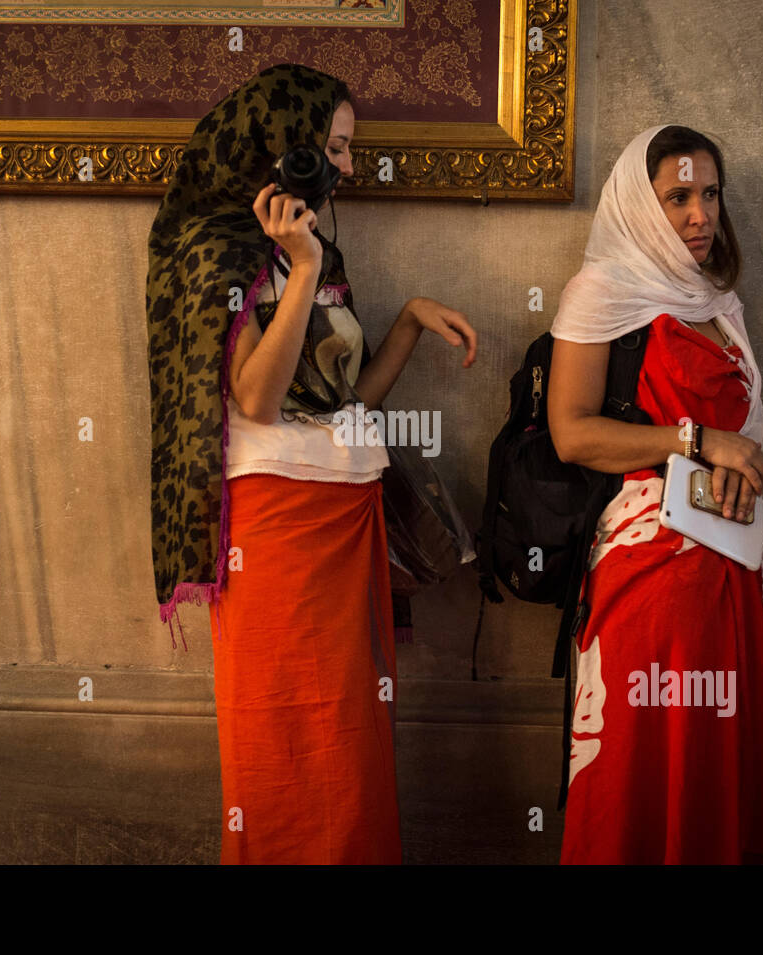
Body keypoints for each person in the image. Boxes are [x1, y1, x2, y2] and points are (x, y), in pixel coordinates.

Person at [146, 63, 476, 864]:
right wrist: (298, 267)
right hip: (274, 530)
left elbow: (345, 397)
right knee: (283, 740)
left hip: (347, 520)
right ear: (282, 147)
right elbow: (257, 399)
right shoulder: (213, 248)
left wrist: (403, 323)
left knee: (352, 749)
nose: (347, 167)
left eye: (349, 149)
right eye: (333, 147)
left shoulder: (319, 249)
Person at [546, 124, 763, 864]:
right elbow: (571, 434)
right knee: (650, 761)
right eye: (678, 197)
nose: (701, 215)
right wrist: (697, 441)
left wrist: (735, 459)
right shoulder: (600, 290)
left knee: (721, 757)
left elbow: (743, 430)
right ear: (641, 204)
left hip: (728, 568)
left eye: (709, 195)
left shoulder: (713, 296)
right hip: (650, 576)